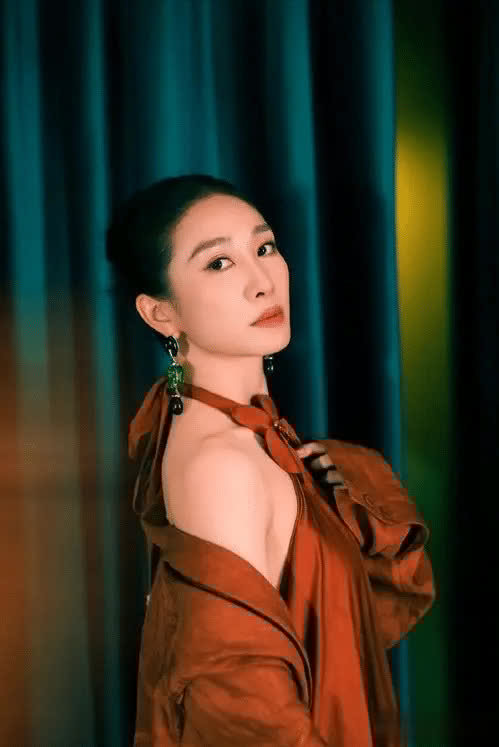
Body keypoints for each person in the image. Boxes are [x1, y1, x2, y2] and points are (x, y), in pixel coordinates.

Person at [106, 174, 436, 746]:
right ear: (160, 314)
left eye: (264, 248)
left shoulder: (252, 432)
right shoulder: (220, 465)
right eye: (219, 263)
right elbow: (248, 714)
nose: (262, 282)